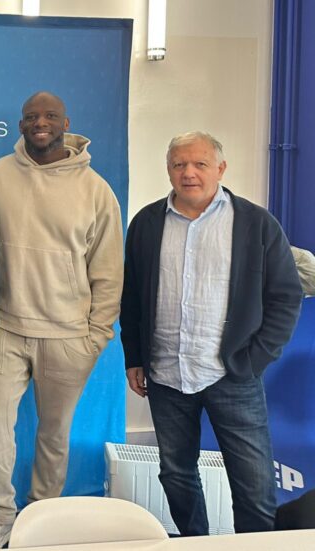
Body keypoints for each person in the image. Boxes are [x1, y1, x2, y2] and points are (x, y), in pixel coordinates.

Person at [121, 131, 302, 536]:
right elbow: (131, 295)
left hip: (233, 376)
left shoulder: (256, 223)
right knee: (176, 475)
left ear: (220, 168)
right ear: (168, 169)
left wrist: (255, 359)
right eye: (179, 164)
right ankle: (194, 542)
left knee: (253, 484)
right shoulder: (147, 223)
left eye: (200, 164)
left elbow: (286, 296)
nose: (188, 173)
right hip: (166, 375)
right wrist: (134, 356)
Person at [0, 91, 124, 549]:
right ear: (21, 125)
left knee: (54, 436)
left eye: (50, 116)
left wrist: (95, 336)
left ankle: (42, 516)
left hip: (67, 336)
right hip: (5, 329)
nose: (41, 122)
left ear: (66, 123)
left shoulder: (96, 190)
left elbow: (108, 270)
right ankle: (1, 516)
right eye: (32, 116)